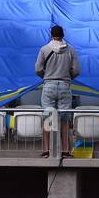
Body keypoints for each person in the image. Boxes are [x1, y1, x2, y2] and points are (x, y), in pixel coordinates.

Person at [34, 24, 80, 158]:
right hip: (65, 85)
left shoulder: (44, 49)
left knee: (49, 118)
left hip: (49, 85)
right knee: (65, 120)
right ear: (63, 35)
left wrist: (46, 76)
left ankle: (47, 150)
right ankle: (65, 150)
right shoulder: (70, 50)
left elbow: (37, 69)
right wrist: (67, 77)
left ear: (51, 34)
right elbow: (76, 70)